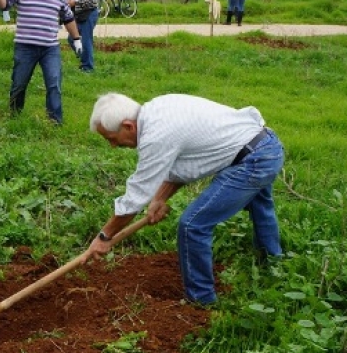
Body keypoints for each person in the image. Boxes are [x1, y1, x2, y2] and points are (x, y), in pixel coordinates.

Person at [84, 92, 285, 308]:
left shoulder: (155, 135)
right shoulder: (157, 110)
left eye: (111, 139)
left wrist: (104, 237)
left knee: (192, 225)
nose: (113, 146)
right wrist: (159, 199)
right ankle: (273, 263)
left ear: (128, 126)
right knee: (260, 205)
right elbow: (185, 163)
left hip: (252, 160)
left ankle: (201, 301)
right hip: (263, 146)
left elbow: (135, 198)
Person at [0, 0, 82, 125]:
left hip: (50, 48)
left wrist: (77, 39)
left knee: (54, 84)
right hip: (25, 46)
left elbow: (68, 17)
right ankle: (15, 116)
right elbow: (5, 4)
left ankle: (55, 121)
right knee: (19, 83)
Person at [70, 0, 99, 72]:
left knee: (86, 41)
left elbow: (92, 1)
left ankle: (88, 67)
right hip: (82, 14)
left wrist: (75, 2)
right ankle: (85, 60)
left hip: (89, 14)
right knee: (72, 38)